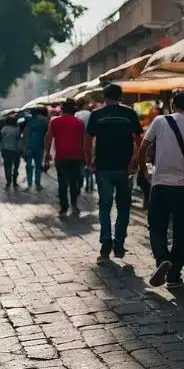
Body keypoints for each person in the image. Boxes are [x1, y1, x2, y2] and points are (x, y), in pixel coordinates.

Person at [138, 90, 184, 290]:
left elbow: (143, 148)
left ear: (173, 105)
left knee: (157, 227)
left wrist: (144, 171)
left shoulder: (160, 121)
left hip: (161, 185)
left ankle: (162, 258)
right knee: (182, 234)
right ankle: (174, 277)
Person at [85, 84, 143, 261]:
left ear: (104, 97)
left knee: (104, 205)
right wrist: (135, 160)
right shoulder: (129, 113)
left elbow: (87, 140)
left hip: (103, 168)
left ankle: (105, 243)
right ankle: (119, 243)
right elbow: (140, 140)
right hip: (124, 169)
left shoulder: (97, 115)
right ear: (121, 97)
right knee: (123, 206)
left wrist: (89, 162)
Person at [45, 100, 85, 218]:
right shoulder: (80, 123)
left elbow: (48, 138)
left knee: (62, 183)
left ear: (62, 110)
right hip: (77, 157)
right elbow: (84, 141)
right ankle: (74, 204)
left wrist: (47, 154)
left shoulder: (55, 122)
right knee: (74, 182)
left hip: (61, 157)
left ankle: (63, 208)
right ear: (74, 111)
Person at [23, 107, 48, 191]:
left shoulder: (28, 120)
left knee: (29, 166)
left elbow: (26, 134)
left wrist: (24, 147)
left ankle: (29, 184)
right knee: (38, 165)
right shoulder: (45, 120)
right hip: (40, 145)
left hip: (30, 146)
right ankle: (38, 184)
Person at [75, 102, 95, 192]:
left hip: (79, 141)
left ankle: (81, 182)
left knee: (81, 164)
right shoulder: (90, 114)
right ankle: (89, 182)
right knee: (89, 161)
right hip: (90, 139)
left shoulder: (76, 114)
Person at [1, 113, 23, 190]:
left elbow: (2, 141)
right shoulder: (18, 129)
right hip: (15, 151)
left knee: (7, 167)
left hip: (6, 150)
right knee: (16, 167)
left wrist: (2, 150)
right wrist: (21, 150)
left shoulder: (4, 129)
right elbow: (19, 141)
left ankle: (8, 181)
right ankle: (14, 182)